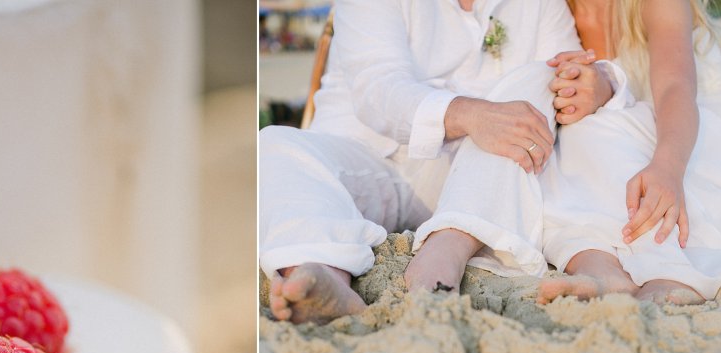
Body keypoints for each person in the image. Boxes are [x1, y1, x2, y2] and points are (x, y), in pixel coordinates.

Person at [260, 0, 615, 324]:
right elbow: (378, 87)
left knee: (540, 78)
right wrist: (471, 114)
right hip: (367, 161)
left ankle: (449, 247)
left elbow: (564, 75)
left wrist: (596, 84)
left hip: (478, 177)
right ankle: (324, 277)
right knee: (275, 143)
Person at [537, 0, 721, 304]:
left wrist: (668, 167)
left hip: (690, 126)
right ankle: (602, 267)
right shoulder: (545, 9)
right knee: (574, 140)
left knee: (597, 136)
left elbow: (675, 88)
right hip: (623, 133)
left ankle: (671, 273)